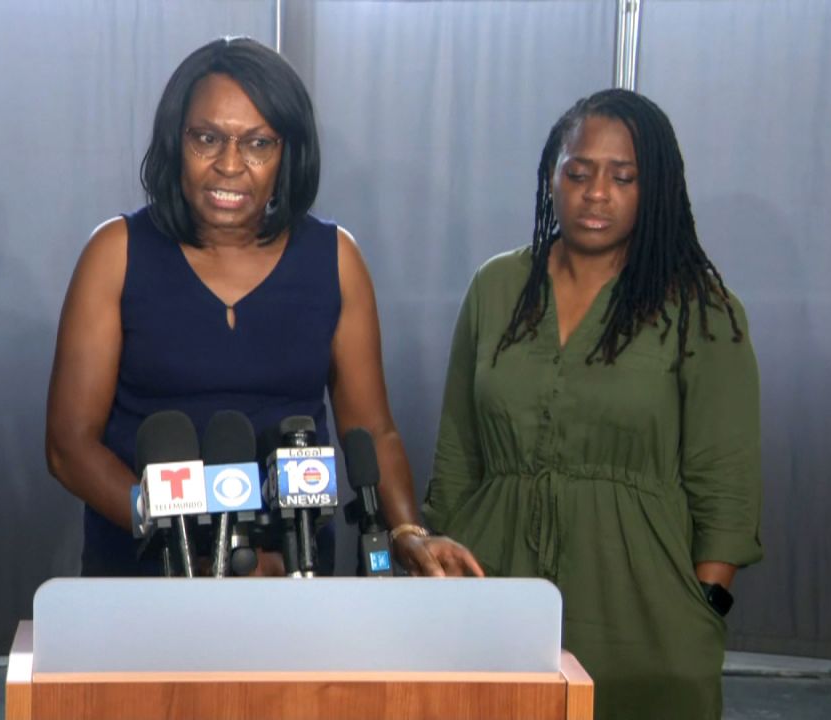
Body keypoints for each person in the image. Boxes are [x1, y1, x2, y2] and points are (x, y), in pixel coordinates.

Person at [45, 36, 481, 579]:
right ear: (175, 141)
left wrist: (407, 532)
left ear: (287, 154)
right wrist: (196, 550)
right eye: (207, 138)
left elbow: (371, 430)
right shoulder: (116, 252)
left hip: (290, 572)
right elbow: (69, 447)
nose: (230, 165)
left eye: (257, 144)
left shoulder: (336, 258)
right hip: (143, 574)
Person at [424, 88, 762, 719]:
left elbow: (726, 484)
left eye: (622, 177)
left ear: (654, 187)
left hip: (644, 620)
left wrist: (704, 606)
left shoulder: (703, 311)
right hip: (497, 594)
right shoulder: (497, 287)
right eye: (578, 172)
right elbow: (457, 451)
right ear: (552, 177)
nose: (596, 193)